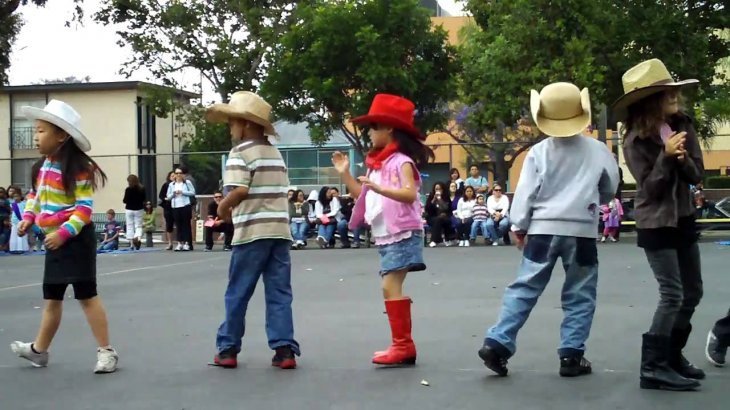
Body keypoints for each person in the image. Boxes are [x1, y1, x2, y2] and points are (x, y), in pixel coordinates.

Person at [479, 82, 619, 378]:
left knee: (525, 287)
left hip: (542, 230)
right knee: (580, 293)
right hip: (581, 230)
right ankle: (571, 355)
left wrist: (520, 226)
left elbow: (526, 192)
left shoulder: (538, 152)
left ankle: (498, 342)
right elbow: (610, 188)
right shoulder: (598, 150)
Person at [10, 99, 118, 373]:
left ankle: (106, 351)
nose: (36, 137)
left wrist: (63, 233)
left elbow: (84, 209)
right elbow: (35, 196)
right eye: (35, 131)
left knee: (87, 296)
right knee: (52, 298)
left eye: (42, 131)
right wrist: (27, 218)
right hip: (54, 242)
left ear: (62, 135)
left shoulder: (78, 168)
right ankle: (39, 351)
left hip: (76, 240)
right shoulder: (42, 167)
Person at [616, 59, 705, 391]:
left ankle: (671, 355)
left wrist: (682, 160)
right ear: (650, 100)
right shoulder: (634, 141)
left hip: (683, 217)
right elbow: (649, 189)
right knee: (672, 294)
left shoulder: (684, 125)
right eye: (668, 94)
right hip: (655, 222)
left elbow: (698, 174)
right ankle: (652, 368)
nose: (676, 98)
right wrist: (666, 157)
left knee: (693, 292)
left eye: (675, 92)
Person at [332, 93, 432, 366]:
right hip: (387, 233)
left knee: (389, 284)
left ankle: (403, 346)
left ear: (389, 129)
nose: (370, 133)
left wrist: (379, 188)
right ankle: (403, 346)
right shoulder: (378, 165)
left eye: (374, 127)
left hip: (403, 231)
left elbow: (409, 194)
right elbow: (360, 195)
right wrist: (345, 173)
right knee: (389, 286)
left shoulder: (401, 162)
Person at [206, 91, 299, 369]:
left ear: (245, 124)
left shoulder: (239, 153)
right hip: (279, 232)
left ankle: (228, 348)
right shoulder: (276, 154)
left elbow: (240, 189)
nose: (230, 128)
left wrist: (222, 209)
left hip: (251, 233)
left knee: (238, 291)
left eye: (232, 123)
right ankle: (284, 350)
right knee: (279, 292)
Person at [166, 167, 195, 251]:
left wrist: (183, 192)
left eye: (180, 173)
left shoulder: (187, 183)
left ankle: (187, 243)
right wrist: (173, 194)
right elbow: (168, 196)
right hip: (175, 206)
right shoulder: (172, 185)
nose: (178, 175)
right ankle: (179, 242)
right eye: (177, 173)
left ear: (183, 174)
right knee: (178, 225)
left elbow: (192, 192)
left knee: (186, 224)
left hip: (185, 205)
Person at [123, 174, 146, 250]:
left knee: (130, 225)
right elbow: (144, 199)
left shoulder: (128, 189)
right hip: (139, 209)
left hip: (129, 209)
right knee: (138, 225)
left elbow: (125, 200)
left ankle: (131, 244)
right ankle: (138, 238)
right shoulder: (141, 189)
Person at [9, 188, 30, 254]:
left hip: (22, 221)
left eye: (17, 196)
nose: (16, 198)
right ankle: (13, 248)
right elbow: (10, 213)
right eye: (14, 196)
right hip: (14, 222)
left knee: (22, 235)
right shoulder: (12, 205)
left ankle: (22, 248)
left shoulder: (24, 204)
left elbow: (26, 211)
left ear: (20, 197)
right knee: (14, 235)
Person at [158, 171, 175, 250]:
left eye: (174, 176)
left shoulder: (179, 185)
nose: (173, 177)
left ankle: (181, 242)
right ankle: (170, 242)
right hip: (168, 207)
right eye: (172, 176)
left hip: (177, 206)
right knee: (169, 225)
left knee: (180, 224)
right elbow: (161, 195)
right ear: (169, 177)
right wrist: (166, 199)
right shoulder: (166, 185)